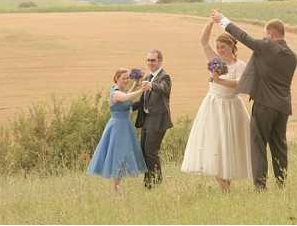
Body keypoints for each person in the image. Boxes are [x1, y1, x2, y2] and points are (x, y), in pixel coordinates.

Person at [211, 10, 297, 190]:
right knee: (279, 146)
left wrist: (222, 20)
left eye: (266, 35)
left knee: (258, 145)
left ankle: (260, 186)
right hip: (283, 107)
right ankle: (281, 184)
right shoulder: (292, 56)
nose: (265, 38)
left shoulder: (268, 46)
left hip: (264, 105)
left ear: (271, 34)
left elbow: (244, 37)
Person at [181, 19, 251, 192]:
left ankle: (227, 185)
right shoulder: (215, 60)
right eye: (218, 47)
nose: (220, 50)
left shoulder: (240, 65)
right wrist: (211, 23)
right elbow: (203, 41)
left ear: (232, 47)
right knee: (214, 143)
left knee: (229, 144)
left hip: (231, 107)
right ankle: (223, 187)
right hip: (213, 106)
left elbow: (240, 84)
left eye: (223, 47)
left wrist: (219, 81)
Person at [87, 68, 147, 193]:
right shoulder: (115, 92)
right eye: (123, 78)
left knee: (124, 153)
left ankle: (117, 187)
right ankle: (115, 188)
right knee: (117, 154)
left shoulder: (122, 91)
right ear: (116, 78)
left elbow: (128, 97)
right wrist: (142, 89)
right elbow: (125, 98)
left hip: (125, 126)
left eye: (127, 78)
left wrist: (135, 84)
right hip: (117, 127)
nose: (126, 80)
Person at [132, 49, 172, 189]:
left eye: (153, 60)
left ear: (160, 61)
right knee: (143, 151)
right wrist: (127, 106)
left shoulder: (164, 77)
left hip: (159, 120)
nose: (150, 63)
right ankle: (148, 183)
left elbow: (163, 89)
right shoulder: (148, 77)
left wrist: (151, 86)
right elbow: (142, 100)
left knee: (151, 151)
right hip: (147, 119)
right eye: (148, 60)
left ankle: (156, 182)